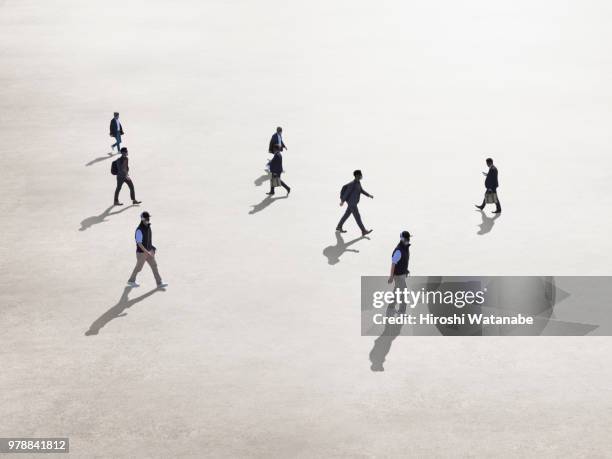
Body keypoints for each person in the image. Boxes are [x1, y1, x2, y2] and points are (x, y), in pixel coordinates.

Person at [127, 212, 167, 288]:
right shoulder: (139, 230)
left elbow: (148, 240)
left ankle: (159, 283)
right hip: (141, 253)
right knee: (139, 268)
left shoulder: (148, 227)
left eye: (148, 218)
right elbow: (139, 243)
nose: (148, 219)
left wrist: (152, 248)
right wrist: (146, 251)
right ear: (142, 219)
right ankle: (131, 281)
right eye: (146, 218)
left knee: (154, 265)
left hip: (148, 251)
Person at [336, 170, 373, 236]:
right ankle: (363, 231)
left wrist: (368, 195)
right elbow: (347, 193)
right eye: (360, 175)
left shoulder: (358, 183)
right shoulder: (352, 184)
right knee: (357, 217)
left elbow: (361, 190)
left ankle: (339, 226)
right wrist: (342, 201)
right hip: (352, 204)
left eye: (361, 175)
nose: (361, 176)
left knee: (346, 215)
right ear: (356, 176)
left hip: (354, 203)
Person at [387, 231, 411, 314]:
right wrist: (391, 277)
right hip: (398, 276)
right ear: (402, 239)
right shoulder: (398, 251)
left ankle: (391, 306)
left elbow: (403, 261)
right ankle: (401, 312)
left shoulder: (405, 248)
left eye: (409, 239)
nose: (408, 240)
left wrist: (406, 270)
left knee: (397, 291)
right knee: (404, 294)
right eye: (406, 239)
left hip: (402, 274)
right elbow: (393, 263)